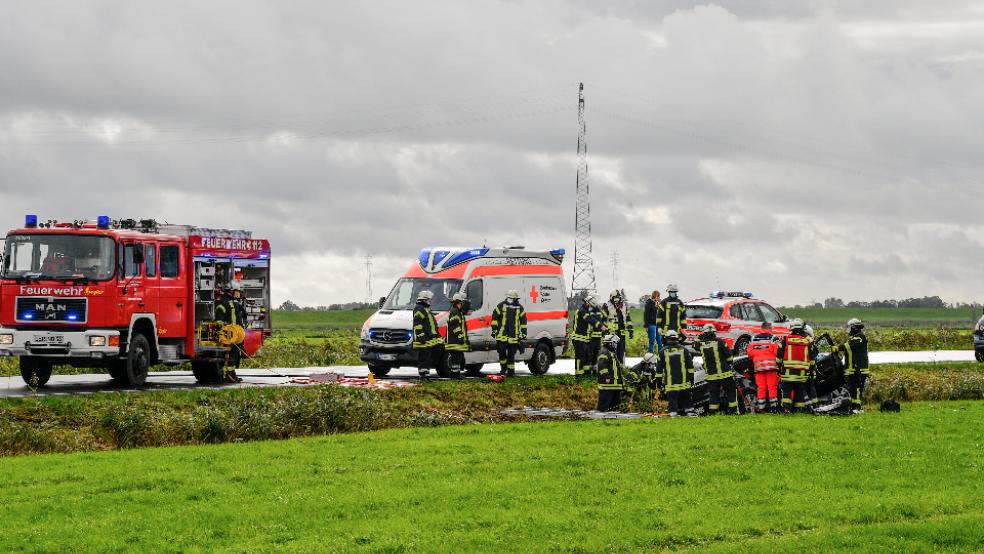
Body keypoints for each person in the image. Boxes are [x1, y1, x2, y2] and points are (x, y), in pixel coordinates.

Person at [776, 318, 817, 413]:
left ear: (792, 329)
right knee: (799, 392)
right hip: (802, 374)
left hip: (787, 373)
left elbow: (779, 357)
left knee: (786, 393)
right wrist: (811, 370)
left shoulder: (785, 340)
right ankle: (799, 409)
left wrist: (778, 366)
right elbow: (812, 359)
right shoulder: (807, 341)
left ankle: (786, 409)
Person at [697, 323, 738, 414]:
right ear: (714, 332)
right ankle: (733, 411)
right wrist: (729, 363)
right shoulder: (719, 341)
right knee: (731, 391)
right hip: (724, 373)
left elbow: (694, 344)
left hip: (711, 376)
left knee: (713, 394)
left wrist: (700, 337)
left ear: (704, 333)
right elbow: (729, 356)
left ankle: (713, 412)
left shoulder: (701, 344)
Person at [833, 318, 869, 413]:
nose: (848, 329)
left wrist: (838, 348)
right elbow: (849, 351)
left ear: (853, 327)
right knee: (853, 389)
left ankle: (857, 408)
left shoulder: (860, 337)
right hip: (853, 369)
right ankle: (853, 407)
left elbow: (848, 346)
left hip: (859, 369)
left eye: (849, 327)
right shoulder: (853, 338)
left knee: (857, 389)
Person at [656, 330, 694, 417]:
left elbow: (659, 371)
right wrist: (691, 379)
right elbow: (690, 367)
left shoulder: (662, 352)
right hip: (685, 382)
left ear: (666, 339)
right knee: (687, 400)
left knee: (672, 402)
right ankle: (690, 412)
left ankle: (673, 413)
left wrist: (658, 383)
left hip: (671, 383)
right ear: (677, 338)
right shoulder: (684, 350)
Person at [491, 290, 527, 377]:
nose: (512, 300)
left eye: (514, 299)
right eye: (511, 298)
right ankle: (503, 370)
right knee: (502, 353)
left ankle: (511, 372)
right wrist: (494, 330)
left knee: (511, 356)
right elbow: (495, 317)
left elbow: (523, 322)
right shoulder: (501, 306)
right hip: (501, 335)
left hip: (513, 336)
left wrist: (523, 333)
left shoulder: (520, 308)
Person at [746, 321, 780, 412]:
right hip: (771, 368)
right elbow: (778, 353)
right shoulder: (773, 339)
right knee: (772, 387)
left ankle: (761, 408)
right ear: (769, 328)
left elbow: (749, 353)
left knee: (761, 388)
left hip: (758, 368)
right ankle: (774, 408)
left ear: (762, 328)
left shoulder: (753, 339)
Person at [214, 284, 244, 383]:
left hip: (236, 334)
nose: (238, 294)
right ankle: (227, 375)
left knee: (235, 355)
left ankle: (231, 374)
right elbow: (219, 321)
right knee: (229, 356)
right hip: (229, 335)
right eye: (236, 291)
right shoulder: (222, 303)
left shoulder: (234, 303)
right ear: (230, 291)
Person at [412, 290, 442, 379]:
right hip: (423, 339)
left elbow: (430, 325)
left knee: (428, 356)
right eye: (428, 299)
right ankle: (423, 374)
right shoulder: (419, 309)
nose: (430, 301)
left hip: (428, 338)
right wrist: (422, 337)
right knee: (424, 357)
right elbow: (417, 324)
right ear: (424, 300)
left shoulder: (424, 309)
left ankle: (426, 373)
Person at [571, 294, 602, 377]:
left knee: (586, 357)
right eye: (590, 305)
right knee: (580, 358)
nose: (591, 307)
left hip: (584, 339)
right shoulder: (582, 311)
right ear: (587, 303)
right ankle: (579, 375)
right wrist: (601, 326)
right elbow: (589, 319)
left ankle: (586, 374)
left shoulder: (585, 310)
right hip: (579, 338)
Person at [602, 289, 633, 364]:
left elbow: (628, 319)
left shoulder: (624, 306)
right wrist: (604, 331)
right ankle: (610, 369)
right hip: (610, 333)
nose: (617, 300)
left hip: (621, 333)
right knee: (610, 352)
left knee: (621, 351)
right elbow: (602, 319)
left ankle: (620, 369)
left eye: (618, 298)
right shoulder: (606, 305)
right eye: (615, 298)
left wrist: (630, 330)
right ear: (611, 298)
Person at [444, 291, 470, 379]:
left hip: (455, 341)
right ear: (459, 303)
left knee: (457, 359)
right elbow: (455, 326)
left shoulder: (457, 312)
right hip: (454, 342)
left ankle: (456, 374)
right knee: (456, 359)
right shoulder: (455, 312)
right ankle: (455, 376)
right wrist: (460, 337)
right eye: (462, 303)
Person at [595, 334, 624, 412]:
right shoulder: (604, 352)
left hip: (615, 386)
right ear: (609, 343)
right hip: (607, 386)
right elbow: (602, 366)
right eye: (614, 343)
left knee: (614, 408)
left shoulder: (611, 353)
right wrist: (606, 377)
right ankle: (599, 420)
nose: (615, 345)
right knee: (603, 407)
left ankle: (613, 422)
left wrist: (621, 383)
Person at [586, 294, 606, 372]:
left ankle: (594, 368)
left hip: (598, 336)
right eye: (596, 299)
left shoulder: (598, 309)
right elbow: (591, 321)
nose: (597, 301)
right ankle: (588, 369)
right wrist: (601, 325)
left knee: (597, 352)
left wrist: (604, 326)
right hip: (591, 336)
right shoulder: (588, 310)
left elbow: (604, 317)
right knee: (590, 352)